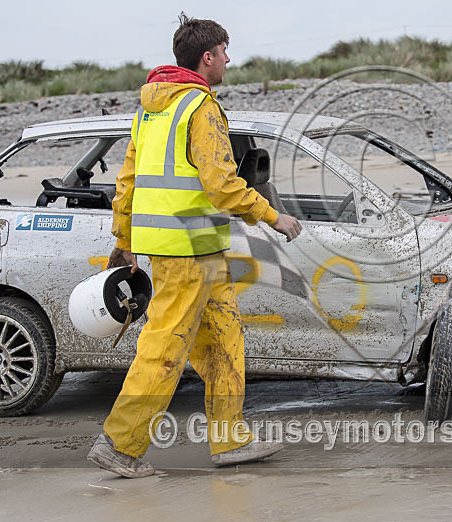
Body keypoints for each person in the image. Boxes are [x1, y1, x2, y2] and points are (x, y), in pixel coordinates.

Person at [86, 13, 302, 478]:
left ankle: (229, 439)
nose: (228, 60)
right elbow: (222, 185)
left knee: (224, 338)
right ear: (207, 57)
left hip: (197, 247)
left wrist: (124, 239)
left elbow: (127, 180)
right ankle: (120, 444)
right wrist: (274, 216)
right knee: (164, 347)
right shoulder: (200, 108)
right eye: (224, 52)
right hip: (185, 251)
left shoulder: (150, 109)